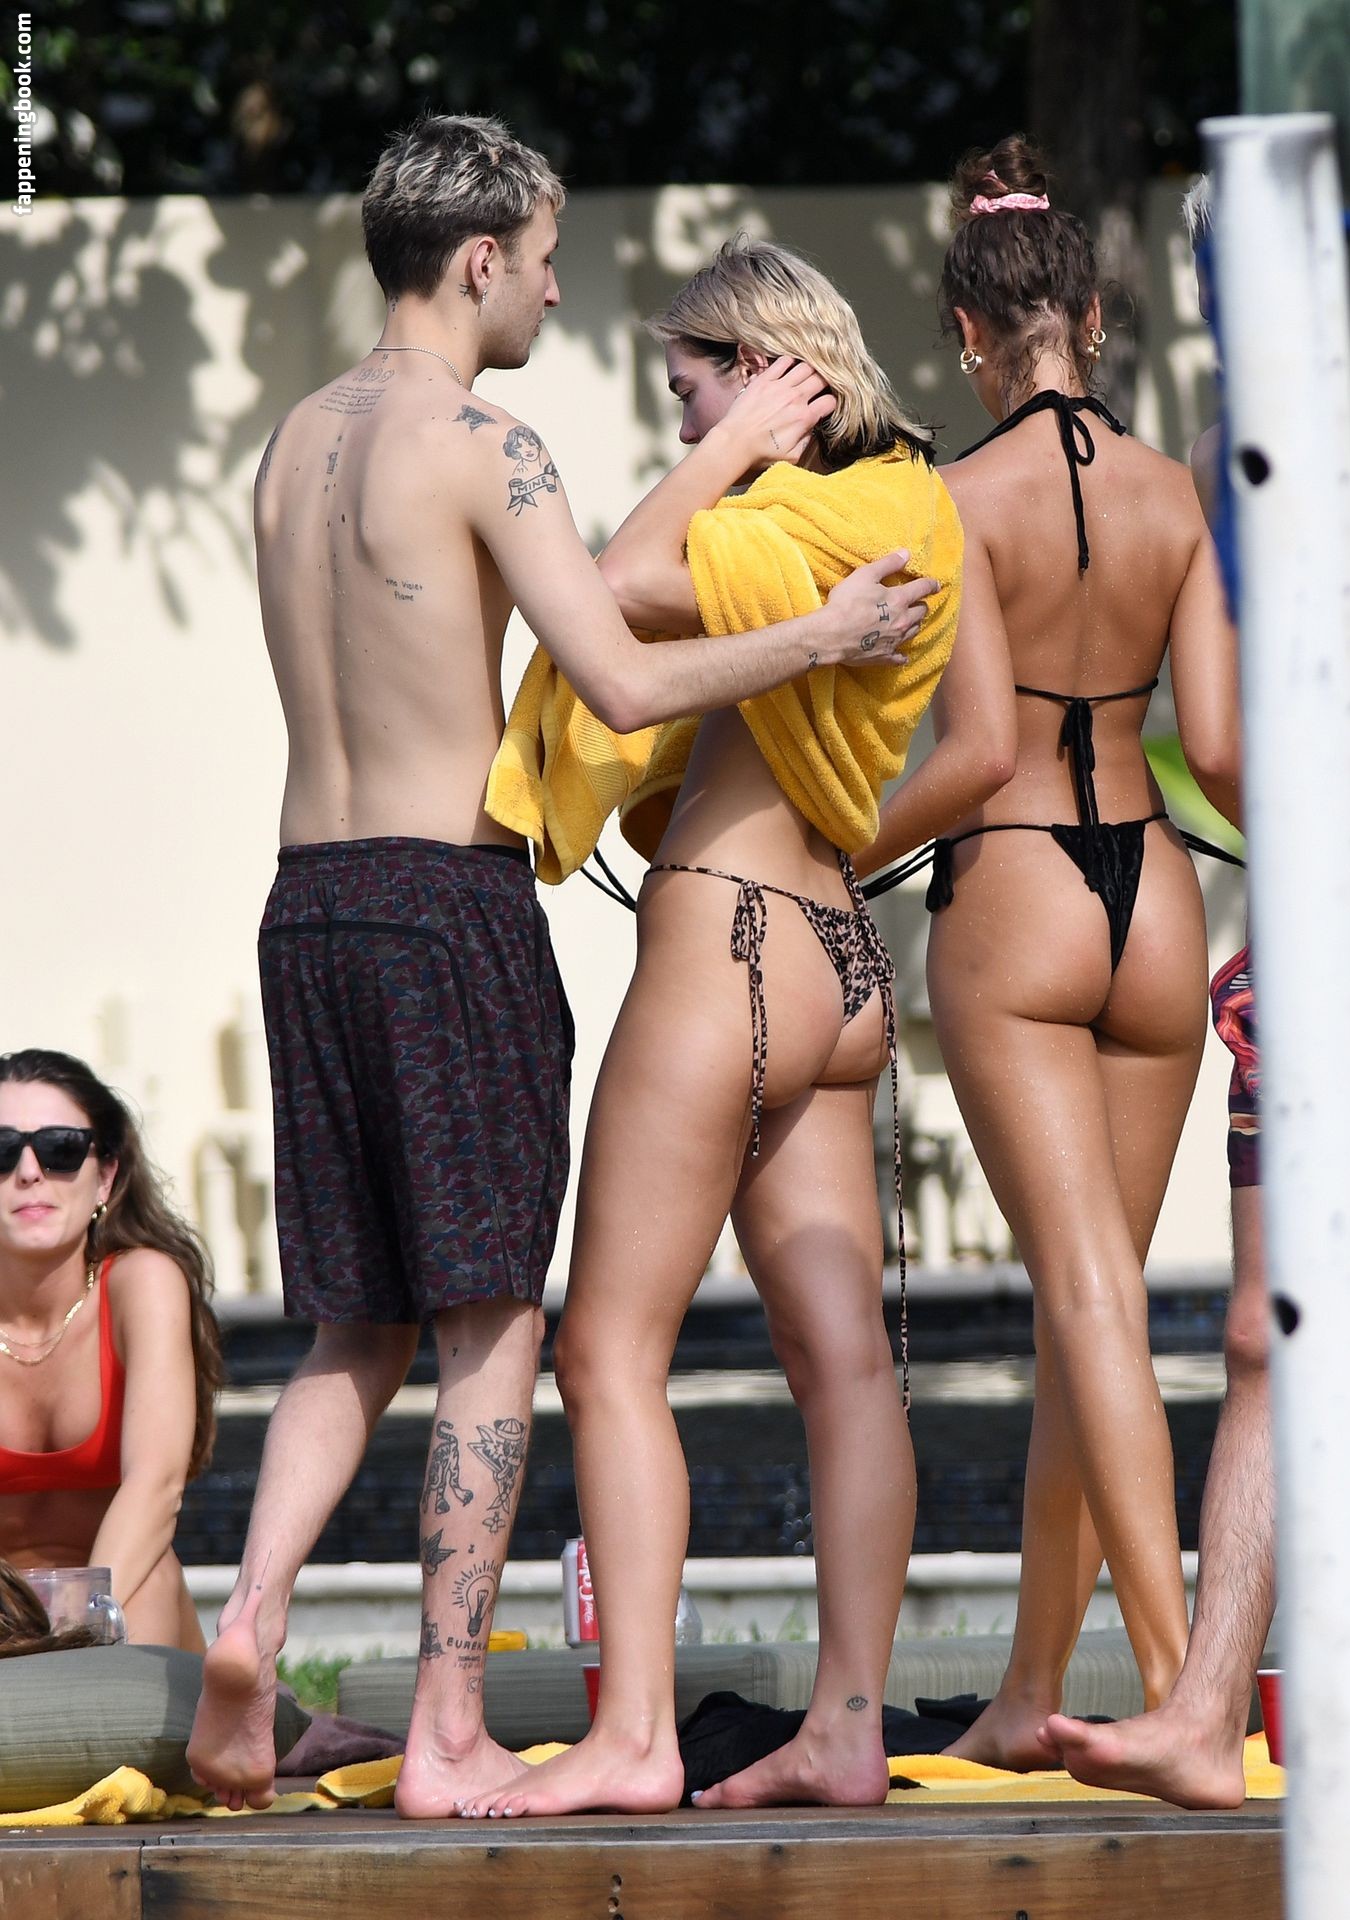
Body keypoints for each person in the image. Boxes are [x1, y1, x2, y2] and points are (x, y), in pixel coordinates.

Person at [184, 117, 935, 1817]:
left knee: (350, 1324)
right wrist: (819, 636)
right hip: (447, 902)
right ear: (477, 261)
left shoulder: (292, 444)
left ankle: (250, 1616)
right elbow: (618, 676)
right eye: (538, 260)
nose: (548, 289)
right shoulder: (485, 445)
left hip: (308, 900)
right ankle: (449, 1723)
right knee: (488, 1323)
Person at [460, 235, 988, 1819]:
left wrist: (733, 452)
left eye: (695, 394)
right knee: (848, 1365)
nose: (685, 430)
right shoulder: (916, 507)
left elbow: (613, 588)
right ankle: (845, 1726)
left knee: (608, 1348)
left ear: (766, 374)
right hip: (841, 953)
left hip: (729, 943)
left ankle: (630, 1733)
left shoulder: (778, 519)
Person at [855, 137, 1241, 1769]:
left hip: (1015, 885)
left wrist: (833, 850)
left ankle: (1177, 1695)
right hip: (1153, 899)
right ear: (1091, 317)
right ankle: (1029, 1689)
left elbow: (972, 756)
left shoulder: (952, 500)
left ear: (965, 334)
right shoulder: (1172, 496)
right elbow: (1214, 750)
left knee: (1083, 1303)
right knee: (1096, 1315)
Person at [1042, 175, 1272, 1808]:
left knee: (1168, 1314)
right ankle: (1195, 1704)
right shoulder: (1206, 470)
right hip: (1257, 929)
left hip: (1152, 896)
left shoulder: (1226, 463)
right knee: (1256, 1335)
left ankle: (1179, 1688)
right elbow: (1226, 740)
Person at [0, 1048, 222, 1650]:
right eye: (2, 1150)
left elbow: (158, 1485)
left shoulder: (142, 1283)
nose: (29, 1171)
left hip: (122, 1597)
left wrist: (74, 1628)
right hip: (3, 1612)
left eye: (61, 1148)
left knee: (148, 1577)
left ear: (105, 1176)